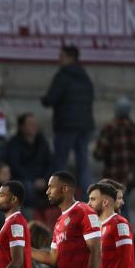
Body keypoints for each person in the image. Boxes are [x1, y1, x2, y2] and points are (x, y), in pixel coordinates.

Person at [41, 45, 95, 190]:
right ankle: (90, 197)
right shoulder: (84, 76)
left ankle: (62, 195)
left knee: (61, 163)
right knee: (83, 164)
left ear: (70, 58)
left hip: (66, 125)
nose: (59, 59)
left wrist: (44, 100)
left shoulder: (63, 75)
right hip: (84, 125)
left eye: (62, 56)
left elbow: (51, 98)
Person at [93, 96, 135, 187]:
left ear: (116, 110)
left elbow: (99, 154)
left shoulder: (109, 129)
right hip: (130, 178)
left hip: (112, 176)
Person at [6, 113, 53, 206]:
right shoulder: (14, 143)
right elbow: (15, 166)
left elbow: (49, 163)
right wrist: (33, 180)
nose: (34, 126)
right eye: (30, 124)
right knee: (27, 187)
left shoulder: (42, 142)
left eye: (35, 124)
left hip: (42, 178)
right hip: (24, 178)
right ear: (22, 127)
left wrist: (44, 179)